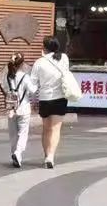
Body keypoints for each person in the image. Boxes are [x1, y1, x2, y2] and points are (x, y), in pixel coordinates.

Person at [30, 35, 74, 168]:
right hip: (60, 98)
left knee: (46, 128)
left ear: (44, 47)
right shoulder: (64, 58)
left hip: (44, 99)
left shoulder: (39, 63)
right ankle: (50, 157)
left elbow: (33, 85)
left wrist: (33, 100)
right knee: (55, 128)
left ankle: (46, 156)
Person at [4, 54, 36, 168]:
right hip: (24, 108)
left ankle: (15, 155)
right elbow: (33, 90)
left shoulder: (8, 77)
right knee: (23, 133)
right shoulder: (25, 77)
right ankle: (18, 153)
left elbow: (6, 90)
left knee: (13, 134)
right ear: (22, 64)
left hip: (11, 109)